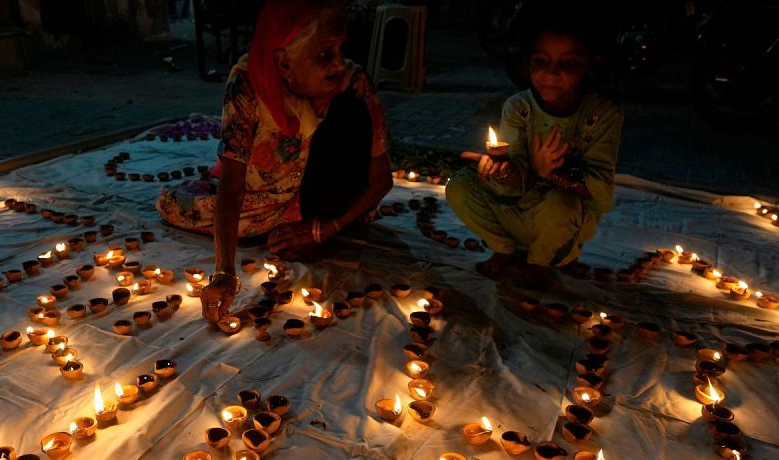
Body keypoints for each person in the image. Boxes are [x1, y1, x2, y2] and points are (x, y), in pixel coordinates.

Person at [156, 0, 392, 322]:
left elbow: (381, 179)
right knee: (174, 204)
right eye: (324, 54)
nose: (339, 64)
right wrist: (225, 272)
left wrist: (324, 230)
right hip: (263, 202)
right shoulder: (248, 83)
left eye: (340, 50)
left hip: (329, 201)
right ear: (283, 63)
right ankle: (289, 228)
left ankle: (304, 227)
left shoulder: (354, 85)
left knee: (347, 116)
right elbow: (233, 185)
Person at [445, 5, 623, 289]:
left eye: (567, 64)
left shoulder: (603, 115)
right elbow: (514, 182)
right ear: (528, 63)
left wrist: (551, 172)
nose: (551, 73)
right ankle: (503, 247)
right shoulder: (518, 107)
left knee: (562, 205)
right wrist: (501, 170)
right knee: (459, 185)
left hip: (558, 222)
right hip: (516, 209)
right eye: (541, 61)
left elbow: (600, 192)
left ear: (591, 65)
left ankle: (539, 261)